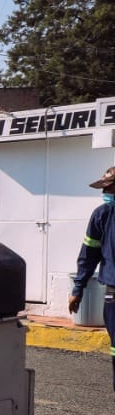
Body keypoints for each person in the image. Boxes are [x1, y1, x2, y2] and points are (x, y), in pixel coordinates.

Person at [70, 166, 115, 391]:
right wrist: (78, 288)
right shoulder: (103, 215)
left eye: (108, 187)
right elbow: (89, 254)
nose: (104, 192)